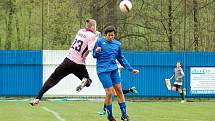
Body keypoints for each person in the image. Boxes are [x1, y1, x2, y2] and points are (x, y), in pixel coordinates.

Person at [30, 18, 99, 106]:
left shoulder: (80, 31)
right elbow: (90, 48)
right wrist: (96, 37)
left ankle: (37, 98)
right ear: (93, 27)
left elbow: (85, 37)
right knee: (88, 81)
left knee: (53, 79)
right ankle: (84, 80)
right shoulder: (92, 36)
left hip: (67, 60)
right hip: (78, 63)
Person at [93, 25, 139, 121]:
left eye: (113, 35)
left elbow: (121, 58)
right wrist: (96, 52)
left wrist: (131, 69)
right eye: (109, 35)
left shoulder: (117, 44)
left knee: (119, 90)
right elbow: (94, 55)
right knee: (109, 92)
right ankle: (110, 116)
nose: (111, 37)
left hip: (114, 70)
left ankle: (124, 115)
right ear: (105, 35)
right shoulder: (99, 42)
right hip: (102, 70)